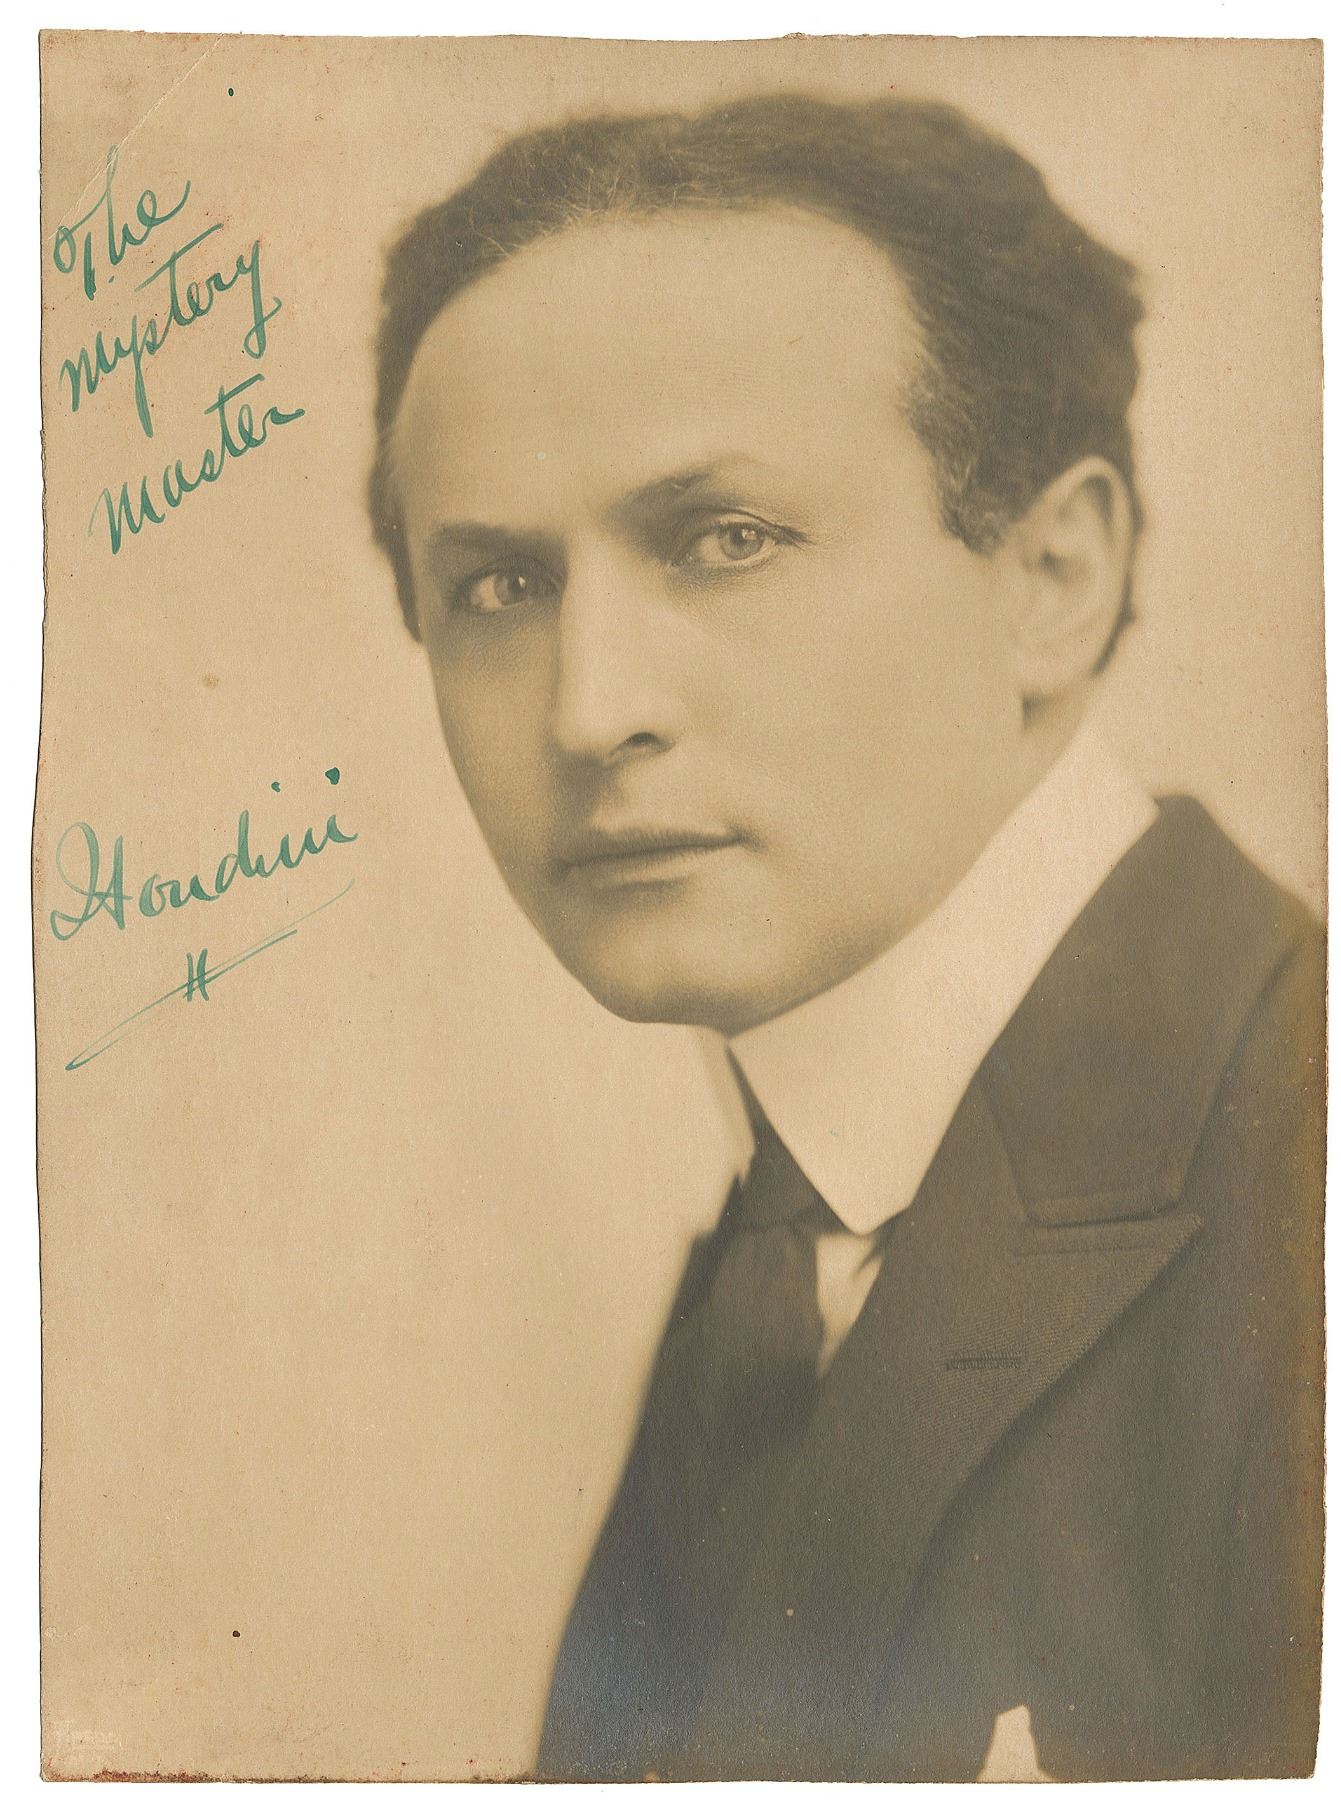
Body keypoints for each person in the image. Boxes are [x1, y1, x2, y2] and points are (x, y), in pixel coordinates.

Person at [367, 94, 1324, 1781]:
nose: (590, 711)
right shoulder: (787, 1238)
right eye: (501, 587)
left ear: (1051, 577)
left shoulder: (1300, 1171)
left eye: (723, 542)